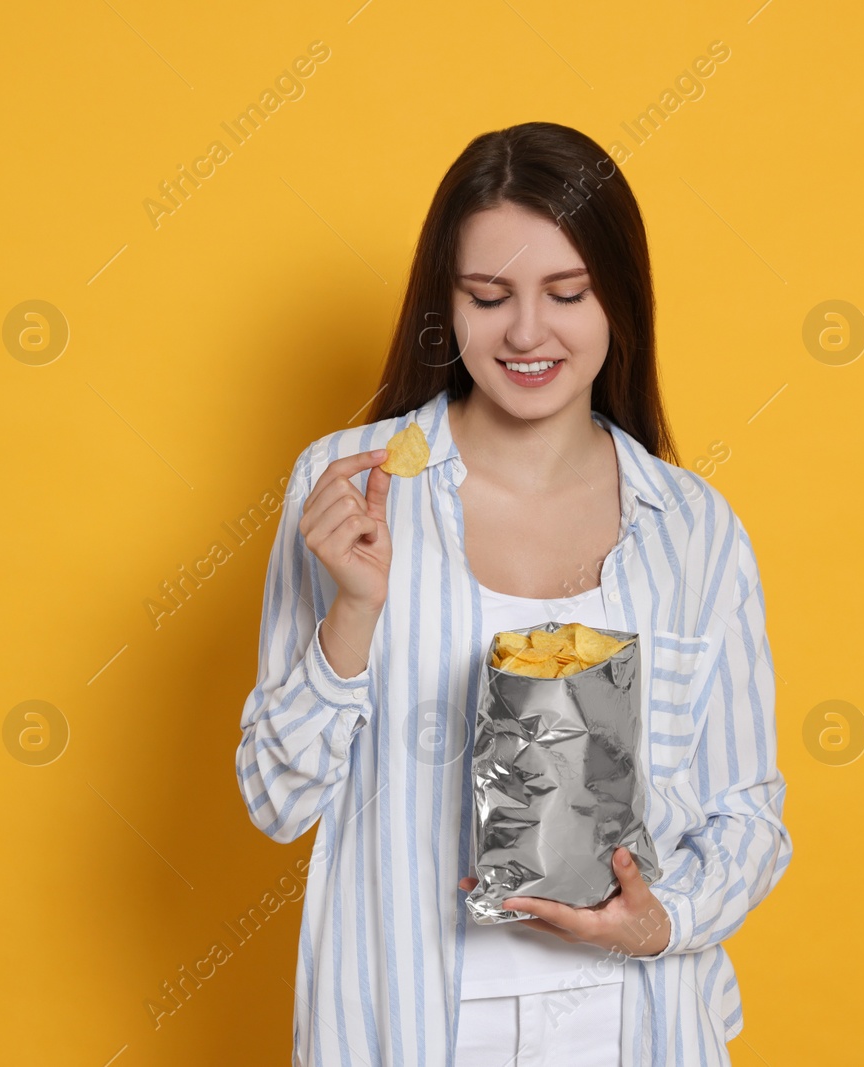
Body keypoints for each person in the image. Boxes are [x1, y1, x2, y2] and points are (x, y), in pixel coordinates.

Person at [234, 121, 792, 1066]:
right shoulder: (350, 487)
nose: (527, 332)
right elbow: (274, 798)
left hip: (639, 1025)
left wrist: (660, 921)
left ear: (619, 299)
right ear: (445, 306)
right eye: (489, 296)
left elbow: (748, 814)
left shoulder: (694, 528)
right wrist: (355, 611)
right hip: (408, 1023)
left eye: (566, 293)